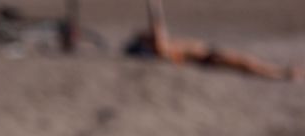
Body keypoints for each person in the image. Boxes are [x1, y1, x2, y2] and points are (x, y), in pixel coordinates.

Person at [125, 0, 303, 82]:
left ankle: (283, 73)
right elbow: (158, 31)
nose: (146, 33)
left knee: (248, 63)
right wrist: (154, 6)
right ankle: (284, 74)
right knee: (247, 64)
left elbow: (157, 33)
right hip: (208, 57)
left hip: (209, 55)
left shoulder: (163, 47)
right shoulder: (162, 48)